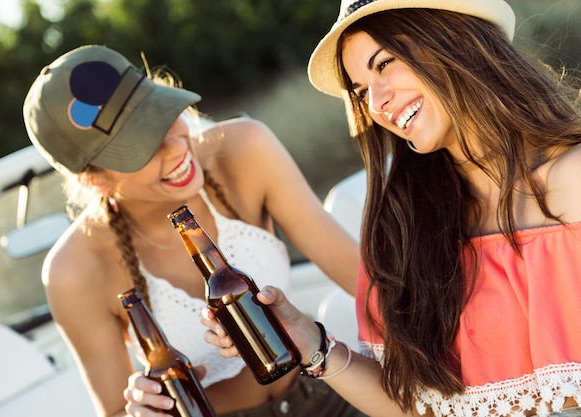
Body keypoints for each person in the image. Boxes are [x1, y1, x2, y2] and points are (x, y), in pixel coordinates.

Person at [202, 1, 581, 416]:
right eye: (360, 91)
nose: (377, 103)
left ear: (451, 41)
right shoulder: (402, 220)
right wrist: (311, 344)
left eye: (384, 64)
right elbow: (417, 409)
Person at [22, 44, 366, 417]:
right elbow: (115, 412)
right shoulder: (73, 270)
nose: (175, 149)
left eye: (162, 116)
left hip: (324, 386)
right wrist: (143, 409)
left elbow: (366, 285)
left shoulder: (244, 149)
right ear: (94, 180)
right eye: (140, 149)